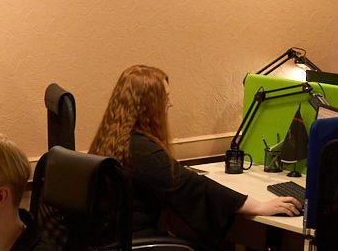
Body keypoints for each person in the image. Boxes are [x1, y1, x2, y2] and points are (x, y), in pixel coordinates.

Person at [89, 63, 299, 227]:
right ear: (149, 106)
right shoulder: (143, 151)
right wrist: (259, 206)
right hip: (137, 245)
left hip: (114, 243)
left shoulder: (112, 138)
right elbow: (194, 188)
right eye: (165, 98)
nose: (170, 104)